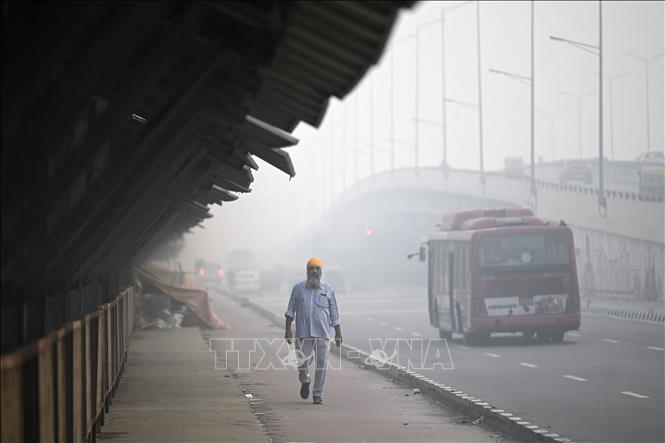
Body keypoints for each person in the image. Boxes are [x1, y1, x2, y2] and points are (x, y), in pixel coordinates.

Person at [284, 258, 342, 405]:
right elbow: (290, 310)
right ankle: (305, 380)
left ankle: (317, 394)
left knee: (321, 363)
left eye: (317, 269)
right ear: (307, 271)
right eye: (311, 269)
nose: (314, 271)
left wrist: (338, 333)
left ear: (321, 272)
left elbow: (334, 312)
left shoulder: (328, 289)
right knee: (302, 361)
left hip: (323, 332)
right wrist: (288, 330)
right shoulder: (298, 288)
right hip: (303, 332)